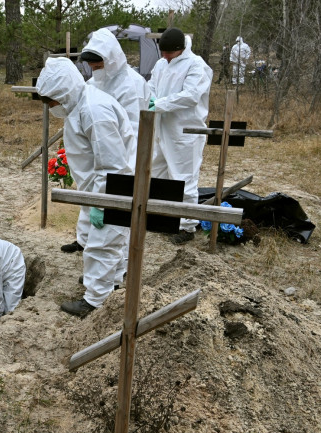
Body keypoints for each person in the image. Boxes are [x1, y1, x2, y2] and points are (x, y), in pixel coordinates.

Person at [36, 57, 134, 318]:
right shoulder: (80, 104)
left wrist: (102, 203)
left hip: (114, 187)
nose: (51, 107)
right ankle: (110, 283)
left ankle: (95, 301)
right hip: (101, 187)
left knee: (103, 243)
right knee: (110, 241)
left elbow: (111, 165)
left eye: (52, 100)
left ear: (63, 92)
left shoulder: (94, 112)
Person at [147, 28, 213, 244]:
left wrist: (159, 104)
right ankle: (162, 218)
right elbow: (152, 87)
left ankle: (186, 226)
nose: (164, 56)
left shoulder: (196, 65)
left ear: (180, 49)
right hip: (161, 129)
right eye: (162, 52)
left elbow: (191, 96)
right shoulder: (160, 64)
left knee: (183, 179)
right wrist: (148, 99)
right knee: (157, 175)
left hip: (185, 133)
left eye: (168, 52)